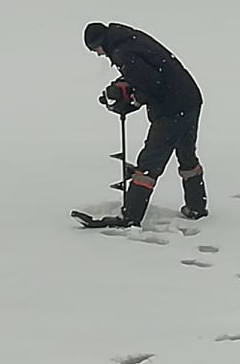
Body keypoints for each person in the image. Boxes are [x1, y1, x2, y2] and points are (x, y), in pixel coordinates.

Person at [81, 22, 208, 227]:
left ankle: (131, 216)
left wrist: (133, 102)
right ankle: (196, 206)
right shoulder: (130, 39)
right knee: (186, 155)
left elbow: (151, 83)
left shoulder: (122, 51)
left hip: (172, 108)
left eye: (95, 49)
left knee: (149, 163)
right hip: (190, 99)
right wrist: (122, 87)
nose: (97, 54)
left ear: (100, 43)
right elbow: (146, 73)